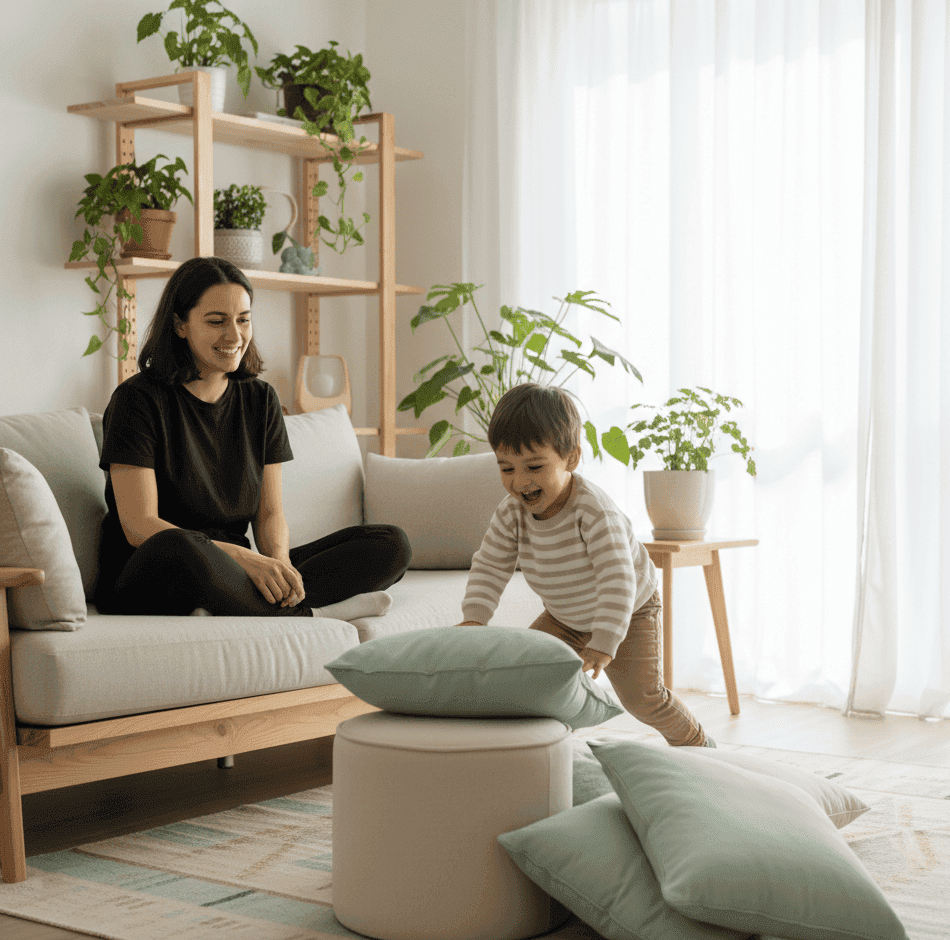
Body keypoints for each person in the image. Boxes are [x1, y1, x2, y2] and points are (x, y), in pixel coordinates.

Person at [93, 256, 411, 620]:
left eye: (243, 320)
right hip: (158, 571)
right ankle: (312, 615)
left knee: (390, 544)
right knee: (181, 546)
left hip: (233, 571)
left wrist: (278, 566)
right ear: (180, 324)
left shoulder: (261, 399)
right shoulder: (138, 400)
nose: (234, 336)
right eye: (216, 322)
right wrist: (245, 558)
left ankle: (262, 605)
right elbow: (139, 526)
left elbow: (270, 512)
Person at [459, 383, 714, 747]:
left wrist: (605, 642)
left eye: (534, 466)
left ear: (571, 459)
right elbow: (490, 565)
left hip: (630, 611)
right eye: (506, 468)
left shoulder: (593, 511)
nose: (519, 482)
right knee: (526, 677)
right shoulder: (511, 513)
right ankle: (544, 752)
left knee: (644, 699)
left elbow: (618, 580)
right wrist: (474, 618)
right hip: (565, 617)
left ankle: (700, 748)